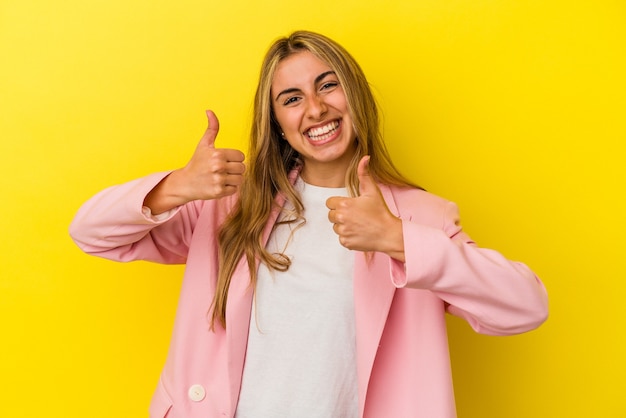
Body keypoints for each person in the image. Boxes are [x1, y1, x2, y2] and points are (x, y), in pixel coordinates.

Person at [69, 30, 548, 418]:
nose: (316, 109)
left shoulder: (418, 218)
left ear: (355, 95)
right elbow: (90, 232)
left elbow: (525, 307)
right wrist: (178, 186)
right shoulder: (233, 208)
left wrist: (399, 241)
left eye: (328, 84)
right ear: (277, 120)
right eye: (292, 98)